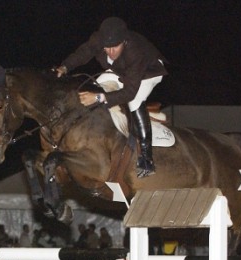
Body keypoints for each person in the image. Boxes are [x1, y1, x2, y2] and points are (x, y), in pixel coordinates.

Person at [55, 17, 167, 178]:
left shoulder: (136, 51)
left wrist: (100, 98)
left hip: (148, 72)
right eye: (107, 48)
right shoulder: (98, 40)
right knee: (95, 85)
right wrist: (64, 67)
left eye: (115, 47)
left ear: (124, 42)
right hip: (120, 71)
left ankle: (146, 157)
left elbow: (129, 92)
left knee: (133, 101)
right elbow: (83, 53)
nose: (110, 52)